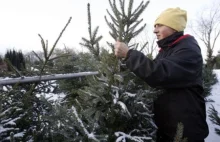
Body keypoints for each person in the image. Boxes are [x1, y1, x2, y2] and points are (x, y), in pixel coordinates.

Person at [114, 7, 209, 142]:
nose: (154, 30)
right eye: (154, 26)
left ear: (174, 26)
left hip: (185, 130)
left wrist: (129, 55)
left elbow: (160, 73)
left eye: (159, 25)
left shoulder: (188, 50)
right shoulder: (167, 50)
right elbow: (150, 74)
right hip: (168, 127)